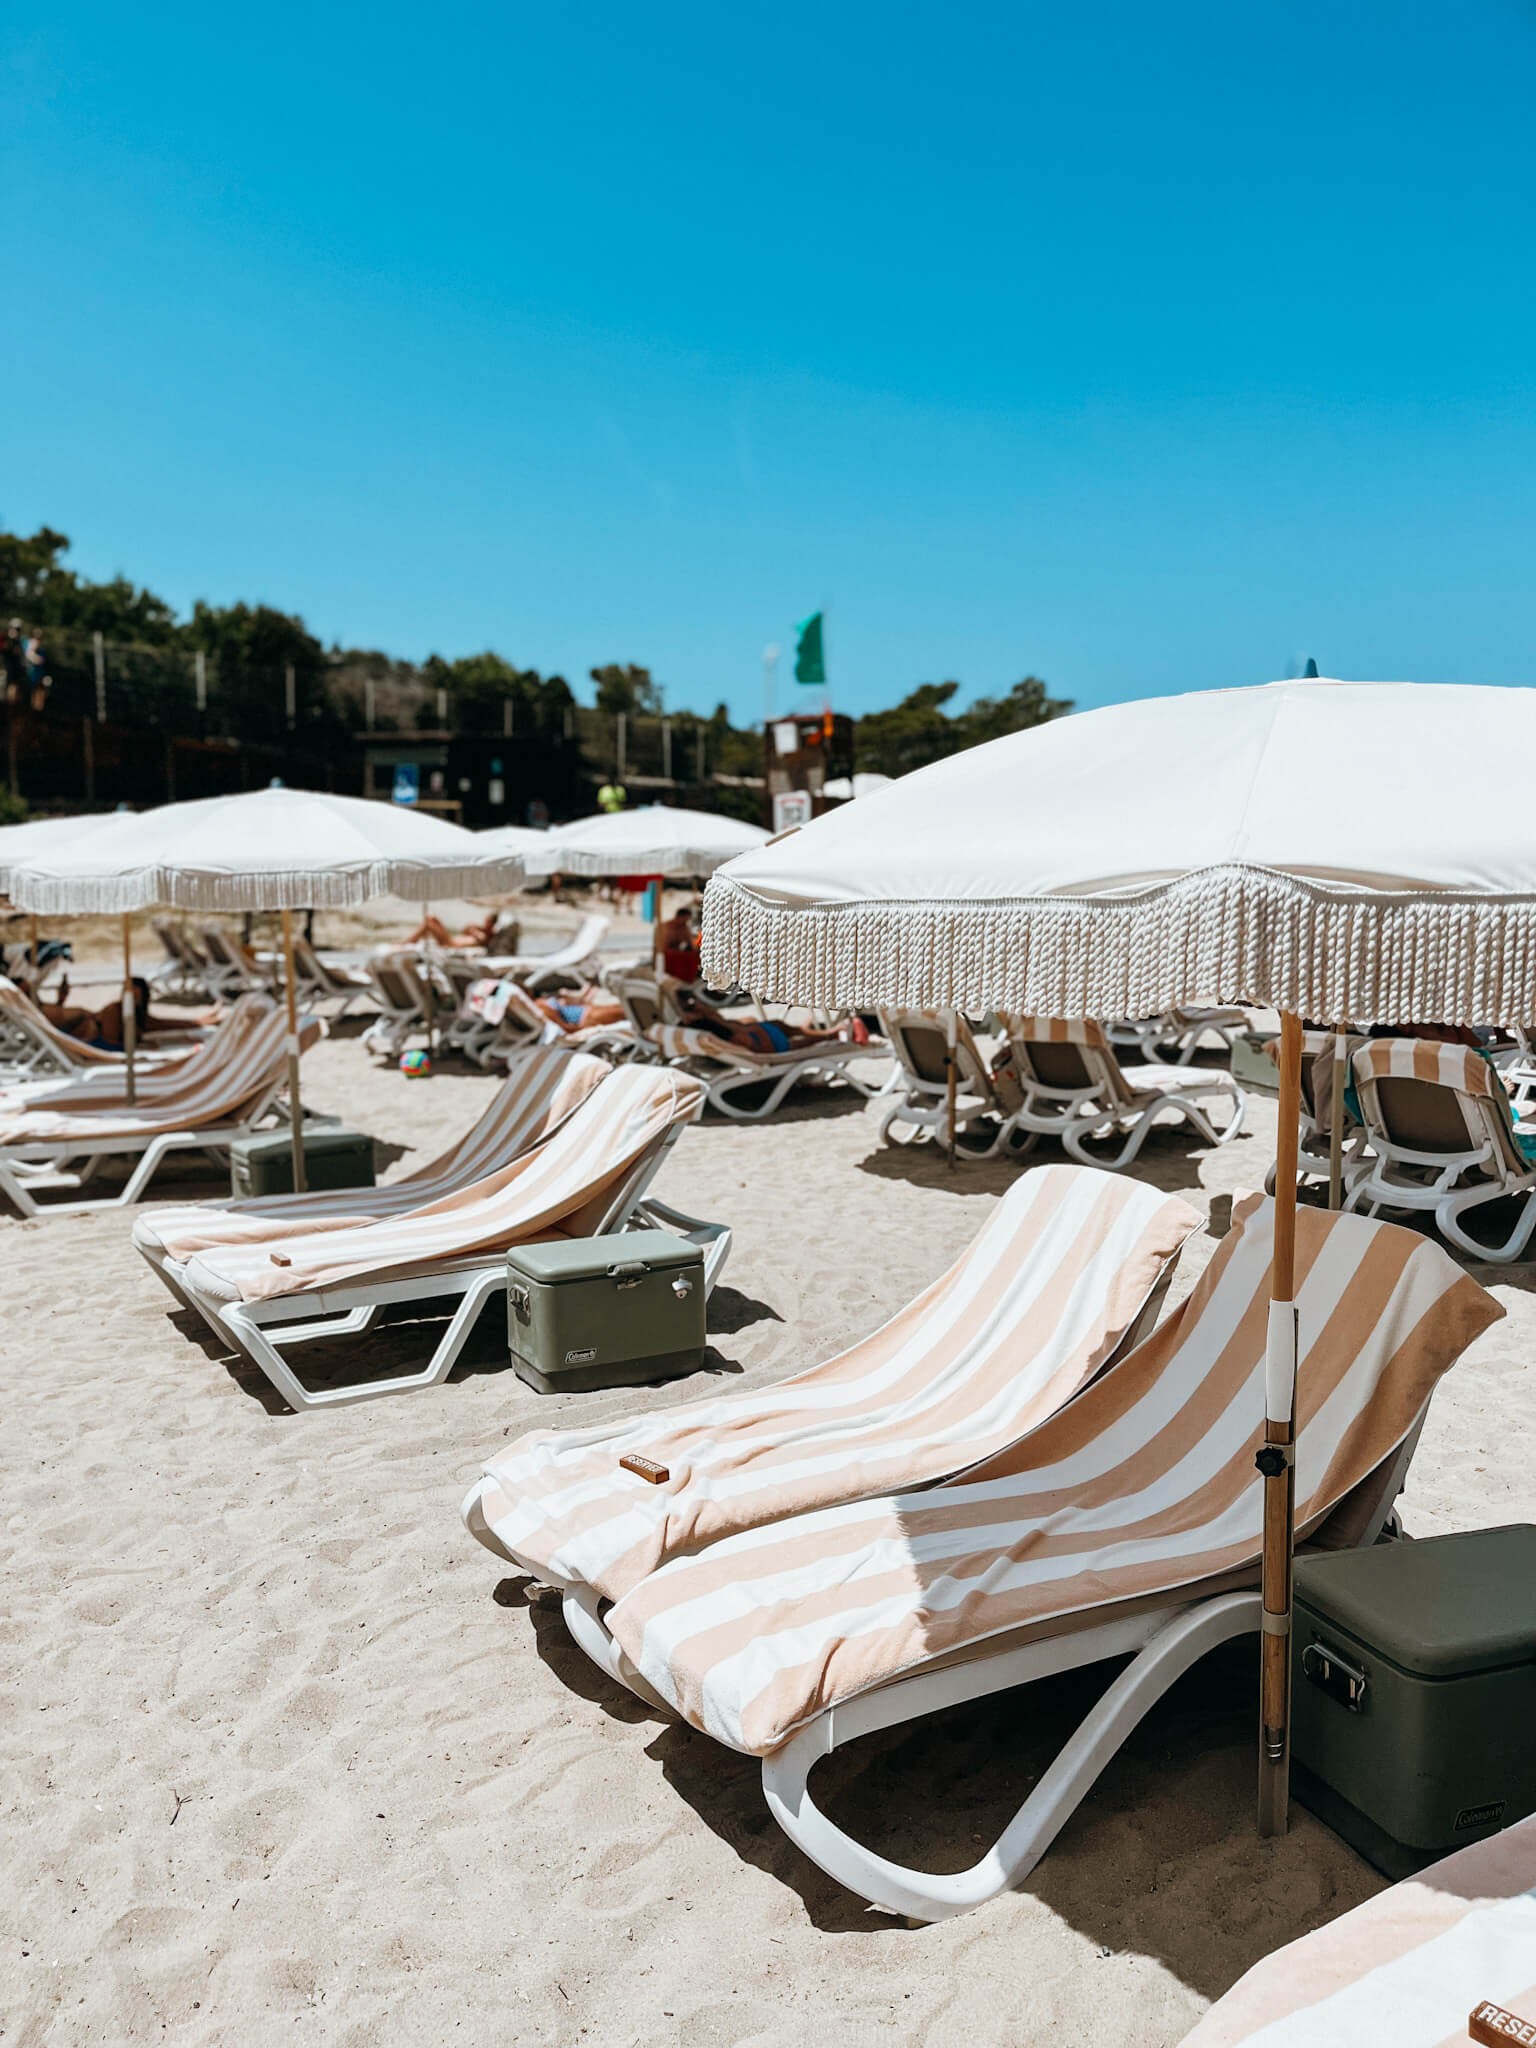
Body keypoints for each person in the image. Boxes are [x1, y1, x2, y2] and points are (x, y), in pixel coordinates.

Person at [403, 910, 520, 952]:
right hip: (451, 941)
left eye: (487, 921)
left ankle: (407, 943)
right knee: (431, 918)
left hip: (450, 945)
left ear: (492, 923)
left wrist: (476, 931)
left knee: (429, 924)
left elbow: (482, 940)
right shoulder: (482, 930)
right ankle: (409, 942)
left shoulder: (489, 935)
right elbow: (464, 929)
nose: (485, 923)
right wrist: (475, 928)